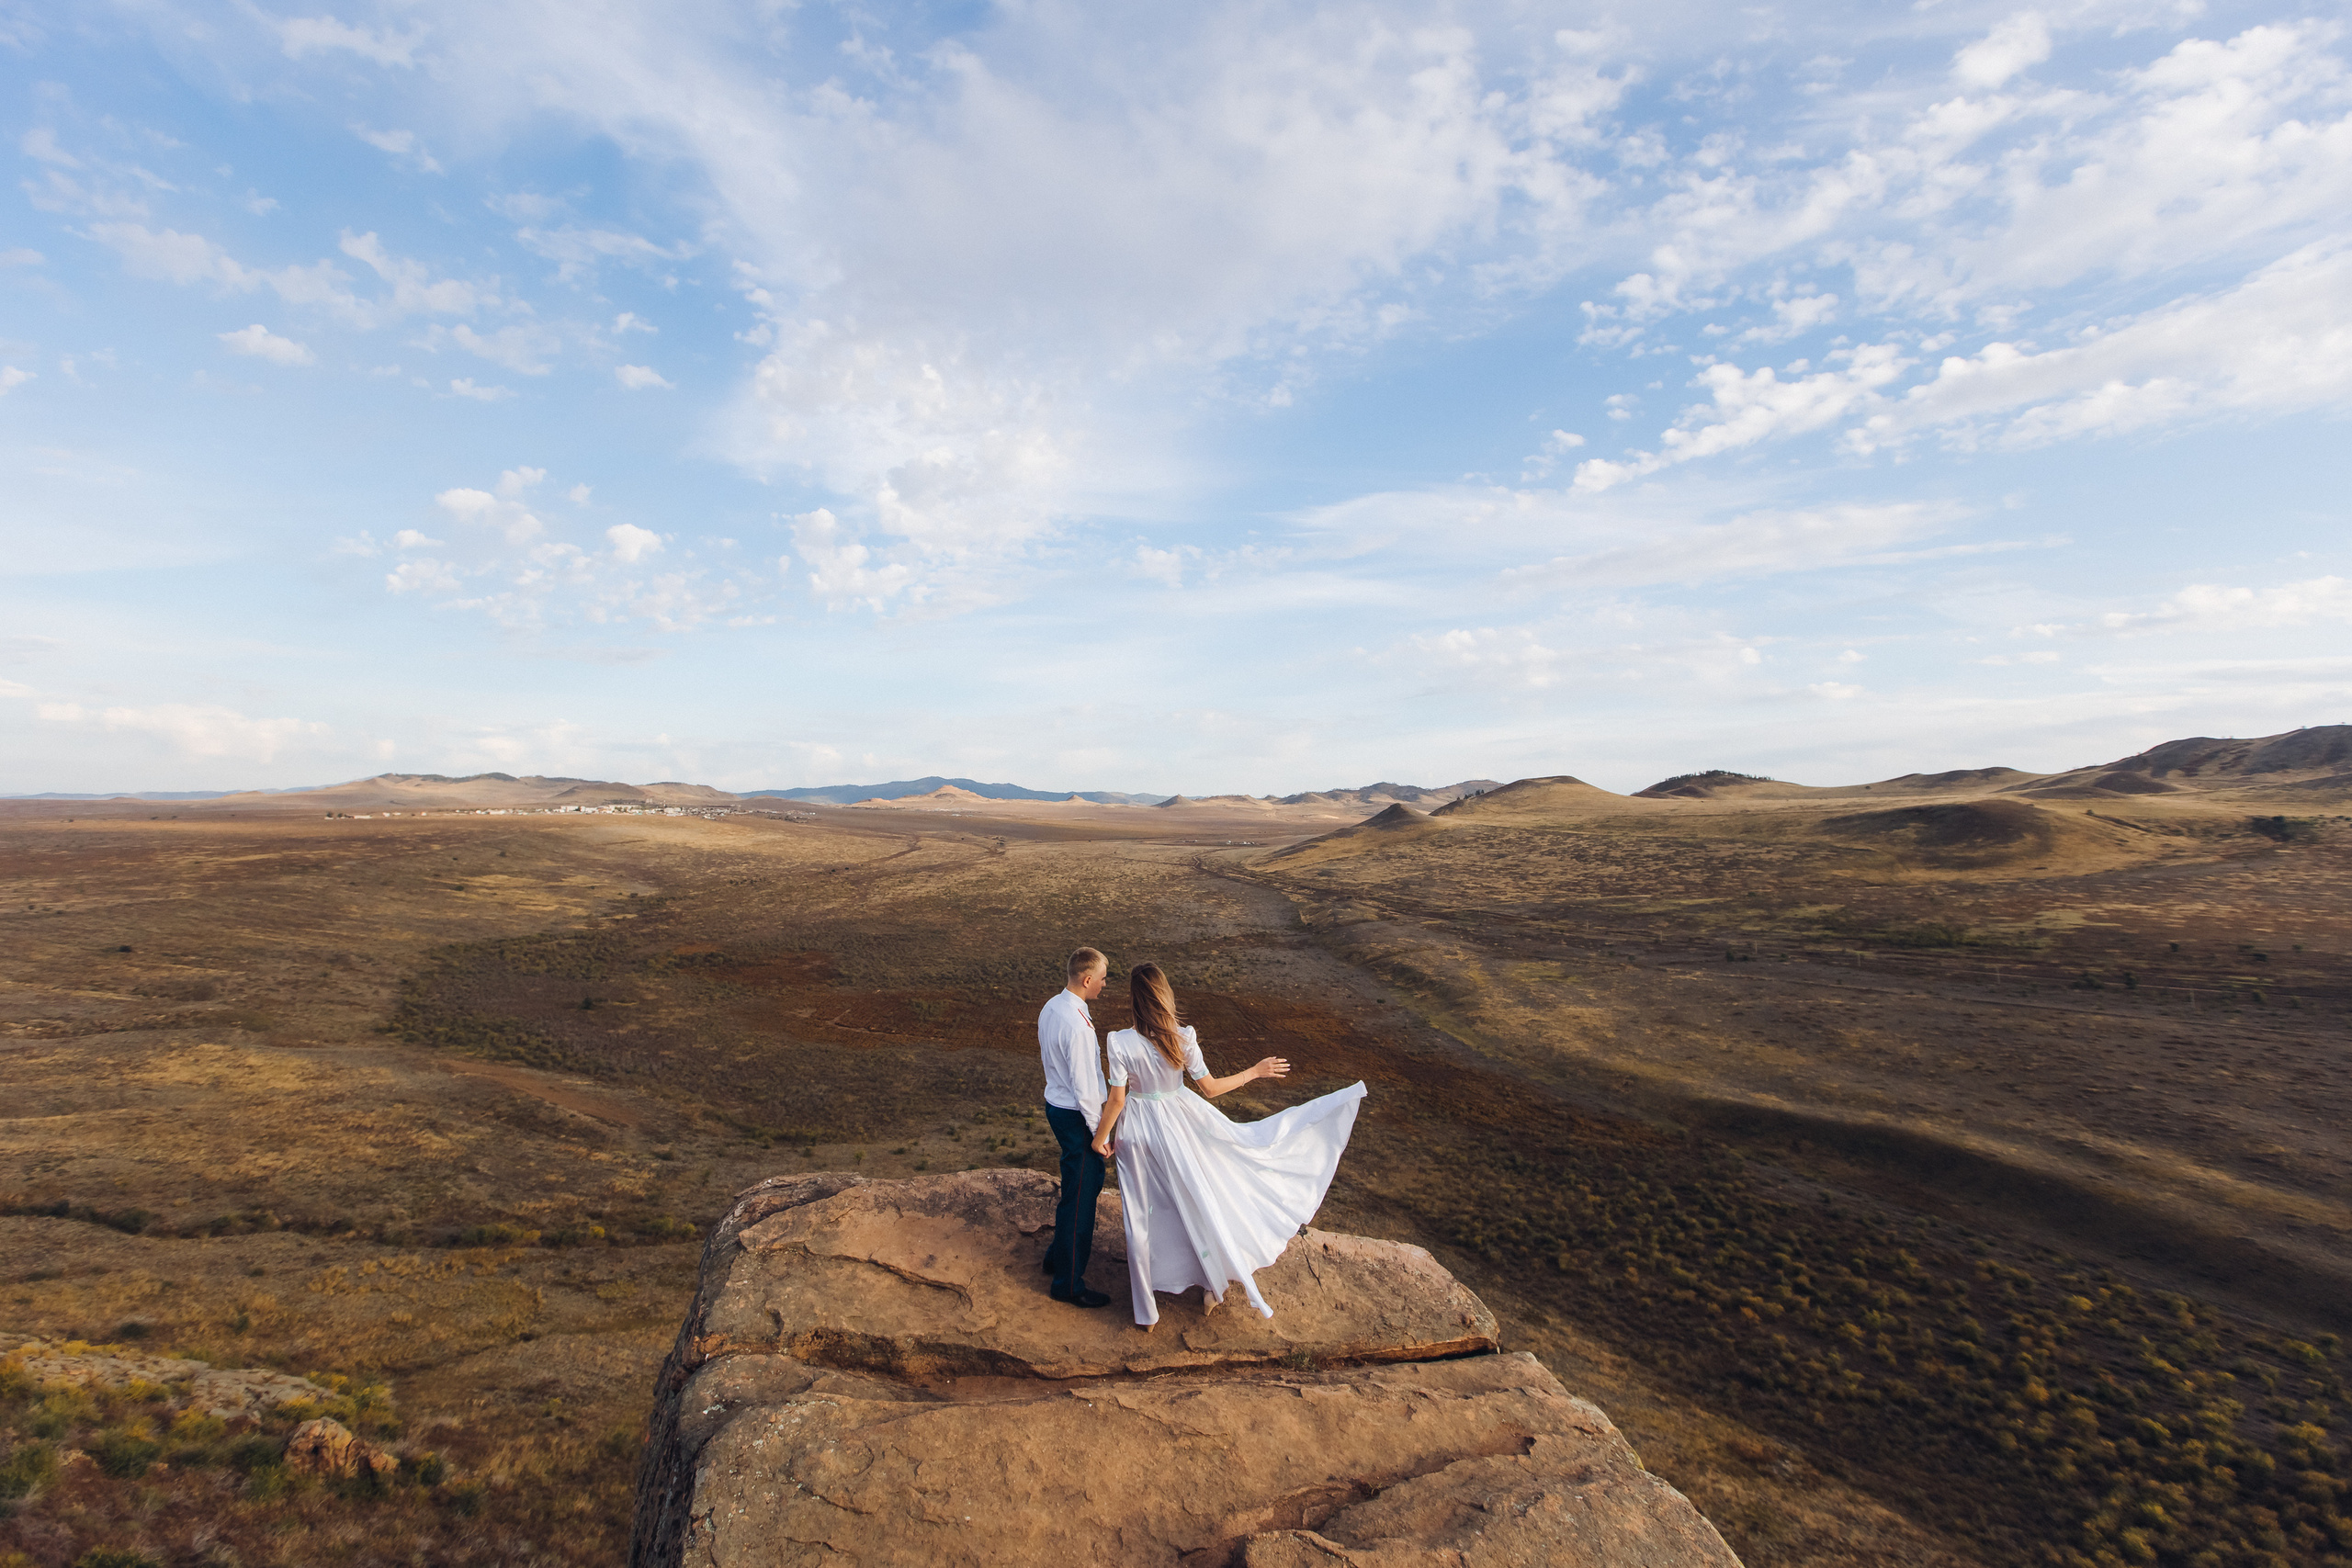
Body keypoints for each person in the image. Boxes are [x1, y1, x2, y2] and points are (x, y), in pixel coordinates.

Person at [1090, 962, 1365, 1327]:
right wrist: (1255, 1071)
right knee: (1197, 1200)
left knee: (1141, 1217)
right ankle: (1212, 1285)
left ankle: (1146, 1311)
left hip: (1137, 1133)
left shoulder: (1119, 1040)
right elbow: (1211, 1088)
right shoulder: (1183, 1037)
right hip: (1180, 1125)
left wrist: (1100, 1138)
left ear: (1134, 1001)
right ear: (1164, 996)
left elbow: (1118, 1101)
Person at [1038, 946, 1113, 1308]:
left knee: (1074, 1187)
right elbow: (1086, 1088)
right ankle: (1068, 1284)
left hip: (1057, 1105)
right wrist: (1100, 1136)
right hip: (1076, 1116)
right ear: (1086, 980)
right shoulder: (1078, 1027)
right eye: (1101, 979)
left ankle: (1055, 1257)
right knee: (1083, 1197)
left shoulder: (1052, 1007)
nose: (1103, 985)